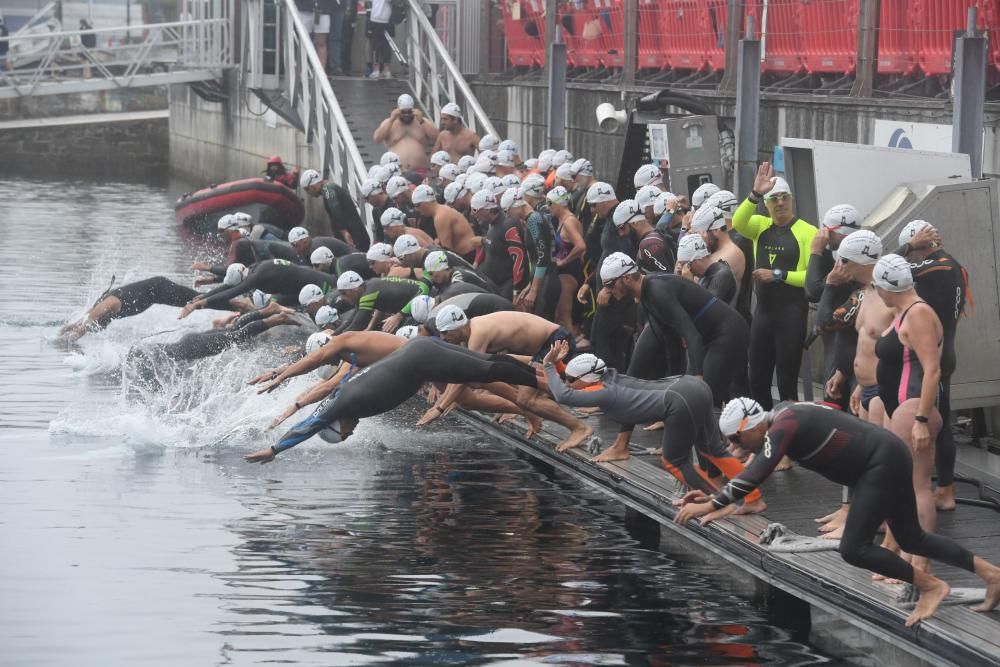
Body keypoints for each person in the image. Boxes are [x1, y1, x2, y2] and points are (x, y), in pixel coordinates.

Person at [675, 398, 1000, 627]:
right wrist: (718, 501)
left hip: (880, 463)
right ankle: (992, 574)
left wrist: (710, 504)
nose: (736, 445)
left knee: (853, 548)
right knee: (912, 539)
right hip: (884, 457)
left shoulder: (782, 425)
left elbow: (757, 473)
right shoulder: (784, 416)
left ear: (751, 426)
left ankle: (931, 587)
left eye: (735, 438)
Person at [543, 342, 767, 518]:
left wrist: (548, 366)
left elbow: (564, 395)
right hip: (693, 386)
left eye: (570, 379)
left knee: (673, 461)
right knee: (713, 451)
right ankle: (753, 498)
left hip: (679, 399)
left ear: (586, 379)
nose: (567, 382)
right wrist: (560, 367)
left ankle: (719, 502)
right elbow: (575, 382)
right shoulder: (606, 375)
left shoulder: (604, 391)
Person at [245, 336, 551, 462]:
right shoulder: (349, 397)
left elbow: (310, 424)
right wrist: (283, 375)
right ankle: (544, 373)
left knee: (487, 371)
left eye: (344, 434)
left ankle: (547, 384)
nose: (351, 433)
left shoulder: (345, 403)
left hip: (422, 358)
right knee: (487, 365)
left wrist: (274, 449)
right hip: (420, 351)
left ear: (338, 424)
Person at [425, 307, 593, 452]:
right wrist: (449, 399)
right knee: (517, 383)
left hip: (555, 342)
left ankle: (579, 427)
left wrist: (440, 407)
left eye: (445, 332)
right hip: (543, 348)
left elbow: (465, 374)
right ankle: (541, 413)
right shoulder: (472, 331)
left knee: (526, 399)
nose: (443, 337)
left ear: (457, 327)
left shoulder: (478, 333)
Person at [601, 252, 748, 408]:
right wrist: (672, 397)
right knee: (692, 397)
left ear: (627, 278)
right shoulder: (647, 295)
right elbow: (671, 342)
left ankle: (746, 427)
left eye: (610, 284)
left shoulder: (657, 291)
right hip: (710, 334)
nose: (608, 290)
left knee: (704, 396)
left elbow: (691, 335)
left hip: (728, 331)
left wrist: (698, 378)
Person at [874, 253, 944, 575]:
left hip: (913, 409)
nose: (877, 293)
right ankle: (904, 553)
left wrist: (920, 420)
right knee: (900, 486)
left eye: (878, 287)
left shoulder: (918, 314)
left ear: (888, 287)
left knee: (918, 487)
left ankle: (922, 563)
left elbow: (932, 371)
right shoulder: (902, 311)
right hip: (899, 410)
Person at [734, 163, 817, 410]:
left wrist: (778, 275)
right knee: (757, 377)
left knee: (786, 379)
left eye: (784, 197)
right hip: (764, 314)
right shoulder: (759, 225)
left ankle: (791, 433)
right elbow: (738, 223)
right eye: (774, 199)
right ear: (766, 204)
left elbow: (809, 278)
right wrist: (754, 194)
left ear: (791, 199)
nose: (780, 203)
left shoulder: (807, 231)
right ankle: (763, 431)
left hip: (791, 313)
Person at [897, 220, 967, 512]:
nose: (910, 259)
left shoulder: (935, 267)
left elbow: (886, 269)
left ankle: (944, 491)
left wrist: (907, 248)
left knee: (938, 423)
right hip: (943, 349)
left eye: (913, 253)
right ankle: (942, 488)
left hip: (935, 355)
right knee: (944, 420)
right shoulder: (951, 263)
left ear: (921, 246)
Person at [60, 276, 201, 341]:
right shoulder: (99, 313)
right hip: (157, 296)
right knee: (199, 302)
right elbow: (78, 324)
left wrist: (73, 337)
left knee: (198, 300)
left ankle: (222, 290)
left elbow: (82, 327)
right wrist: (62, 332)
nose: (104, 327)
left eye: (102, 326)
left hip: (159, 288)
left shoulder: (108, 305)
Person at [180, 260, 336, 317]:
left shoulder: (255, 278)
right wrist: (210, 272)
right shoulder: (254, 268)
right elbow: (231, 279)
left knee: (272, 307)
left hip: (321, 286)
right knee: (274, 306)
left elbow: (230, 292)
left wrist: (199, 303)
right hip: (299, 288)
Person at [511, 177, 560, 320]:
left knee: (545, 326)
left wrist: (533, 289)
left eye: (508, 211)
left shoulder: (534, 219)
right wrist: (530, 285)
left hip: (547, 280)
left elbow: (542, 256)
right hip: (546, 278)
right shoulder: (539, 216)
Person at [546, 186, 587, 343]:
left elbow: (581, 245)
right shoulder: (564, 220)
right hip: (569, 272)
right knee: (561, 315)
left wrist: (564, 260)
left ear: (559, 204)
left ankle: (570, 349)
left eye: (550, 203)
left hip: (569, 273)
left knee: (564, 315)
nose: (548, 208)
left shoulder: (569, 222)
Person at [474, 190, 527, 301]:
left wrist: (516, 290)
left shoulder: (508, 224)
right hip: (493, 285)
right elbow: (487, 244)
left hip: (507, 285)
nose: (473, 215)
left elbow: (519, 257)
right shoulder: (491, 224)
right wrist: (476, 264)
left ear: (486, 210)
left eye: (475, 210)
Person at [333, 271, 428, 332]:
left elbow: (355, 326)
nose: (343, 298)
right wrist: (333, 335)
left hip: (425, 298)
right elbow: (350, 321)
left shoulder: (368, 295)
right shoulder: (369, 285)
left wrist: (332, 341)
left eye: (343, 293)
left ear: (354, 289)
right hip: (418, 302)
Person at [300, 168, 371, 251]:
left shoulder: (327, 190)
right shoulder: (330, 187)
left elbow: (335, 208)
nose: (308, 193)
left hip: (354, 239)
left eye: (307, 189)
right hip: (357, 236)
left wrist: (344, 232)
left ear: (312, 186)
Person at [372, 94, 439, 172]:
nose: (406, 115)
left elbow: (437, 137)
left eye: (409, 112)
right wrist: (391, 120)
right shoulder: (390, 123)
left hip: (420, 171)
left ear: (413, 110)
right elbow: (377, 139)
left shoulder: (422, 122)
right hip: (396, 172)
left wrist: (422, 121)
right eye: (403, 112)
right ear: (397, 110)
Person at [411, 184, 478, 260]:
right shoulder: (442, 210)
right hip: (469, 253)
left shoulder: (440, 217)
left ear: (426, 202)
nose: (417, 210)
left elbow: (447, 251)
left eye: (417, 205)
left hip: (469, 255)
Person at [676, 234, 737, 307]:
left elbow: (707, 309)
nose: (684, 270)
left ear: (696, 260)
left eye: (684, 265)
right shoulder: (706, 274)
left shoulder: (722, 275)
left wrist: (690, 284)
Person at [295, 0, 331, 74]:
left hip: (322, 10)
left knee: (321, 43)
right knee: (302, 43)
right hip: (304, 9)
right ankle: (300, 73)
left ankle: (321, 74)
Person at [287, 225, 354, 262]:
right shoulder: (310, 247)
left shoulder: (316, 249)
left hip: (352, 258)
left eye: (294, 245)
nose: (293, 248)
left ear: (305, 241)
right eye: (292, 245)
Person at [366, 0, 393, 79]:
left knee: (386, 45)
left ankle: (386, 69)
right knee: (375, 45)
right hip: (375, 18)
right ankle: (376, 69)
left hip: (387, 18)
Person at [324, 0, 347, 75]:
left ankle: (335, 66)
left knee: (336, 37)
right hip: (321, 7)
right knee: (319, 38)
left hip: (338, 7)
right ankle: (320, 64)